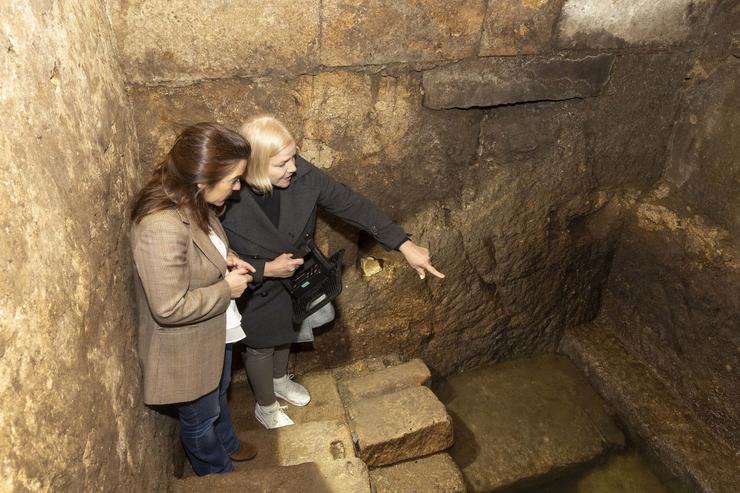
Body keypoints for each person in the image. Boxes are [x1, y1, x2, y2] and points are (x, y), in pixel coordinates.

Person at [221, 115, 444, 429]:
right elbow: (212, 249)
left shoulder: (303, 176)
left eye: (293, 157)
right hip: (252, 282)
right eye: (283, 163)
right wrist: (265, 269)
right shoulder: (228, 191)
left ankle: (280, 379)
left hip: (294, 274)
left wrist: (404, 245)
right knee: (260, 344)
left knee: (287, 327)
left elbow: (351, 205)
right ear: (256, 165)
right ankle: (266, 406)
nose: (294, 167)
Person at [130, 122, 259, 475]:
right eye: (233, 180)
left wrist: (226, 257)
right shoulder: (160, 225)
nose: (237, 189)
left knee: (218, 394)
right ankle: (216, 473)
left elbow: (203, 244)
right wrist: (226, 289)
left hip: (213, 330)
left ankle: (229, 444)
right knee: (201, 419)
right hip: (185, 348)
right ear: (203, 179)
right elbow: (168, 307)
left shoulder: (191, 199)